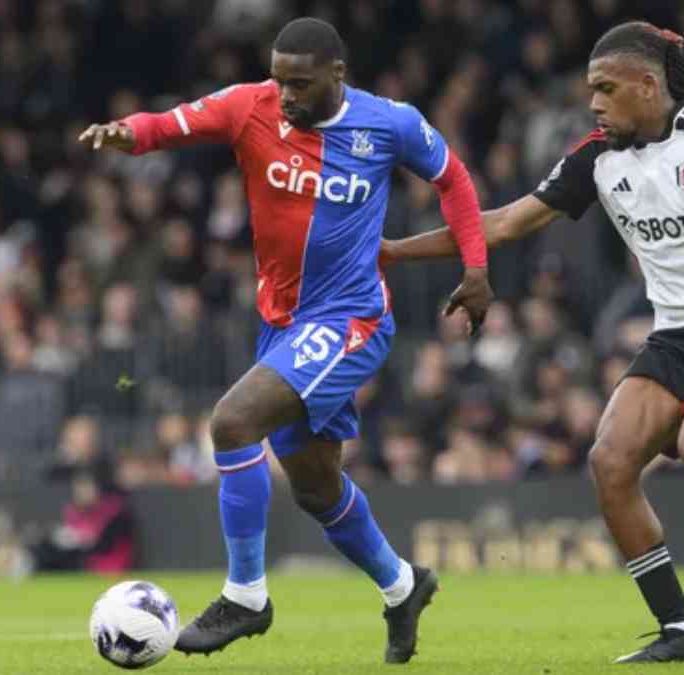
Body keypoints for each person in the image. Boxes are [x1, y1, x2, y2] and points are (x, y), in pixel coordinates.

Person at [382, 20, 684, 664]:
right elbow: (506, 221)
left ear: (647, 84)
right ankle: (681, 631)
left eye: (606, 88)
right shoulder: (597, 158)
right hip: (676, 331)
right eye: (590, 90)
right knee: (609, 462)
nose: (595, 102)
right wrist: (387, 252)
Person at [78, 17, 493, 664]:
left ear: (337, 75)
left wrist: (475, 269)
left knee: (233, 422)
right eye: (279, 79)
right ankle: (403, 585)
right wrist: (126, 133)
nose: (286, 95)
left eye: (300, 83)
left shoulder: (392, 124)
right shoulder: (252, 106)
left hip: (350, 319)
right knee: (316, 487)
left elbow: (456, 182)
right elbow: (174, 124)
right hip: (282, 323)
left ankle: (245, 595)